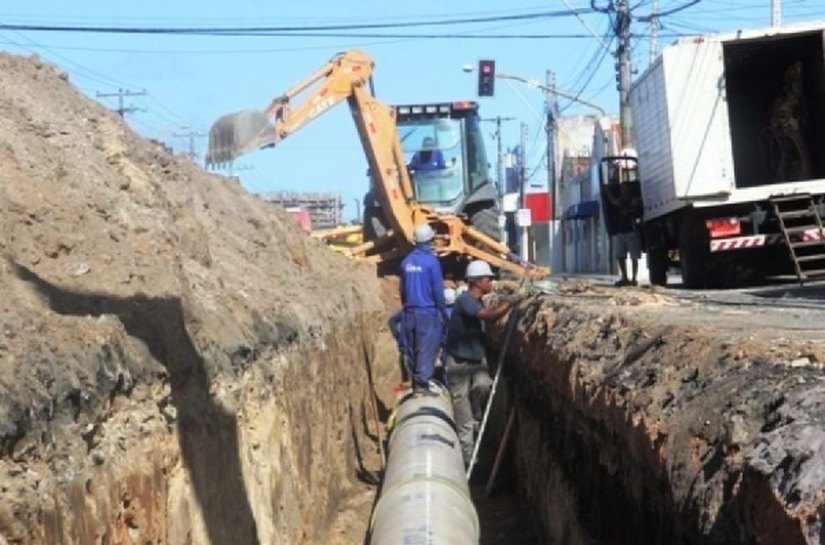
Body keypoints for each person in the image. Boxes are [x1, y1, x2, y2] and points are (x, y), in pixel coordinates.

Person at [444, 260, 527, 466]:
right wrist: (512, 300)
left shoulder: (478, 299)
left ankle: (478, 420)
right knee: (463, 418)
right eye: (488, 278)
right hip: (458, 364)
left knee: (484, 386)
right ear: (477, 282)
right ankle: (469, 463)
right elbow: (488, 316)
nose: (491, 281)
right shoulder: (465, 301)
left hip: (476, 360)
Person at [399, 223, 449, 395]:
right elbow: (437, 290)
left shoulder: (406, 262)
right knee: (427, 347)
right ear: (430, 240)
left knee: (411, 347)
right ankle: (421, 384)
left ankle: (415, 383)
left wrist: (406, 307)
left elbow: (402, 290)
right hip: (427, 312)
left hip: (409, 312)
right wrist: (443, 313)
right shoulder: (432, 262)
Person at [607, 182, 643, 286]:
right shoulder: (621, 200)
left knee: (634, 256)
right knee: (620, 256)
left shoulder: (633, 200)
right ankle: (625, 276)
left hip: (631, 231)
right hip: (621, 232)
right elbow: (614, 202)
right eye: (622, 189)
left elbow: (637, 206)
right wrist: (608, 192)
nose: (623, 191)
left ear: (629, 190)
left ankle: (634, 278)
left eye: (624, 188)